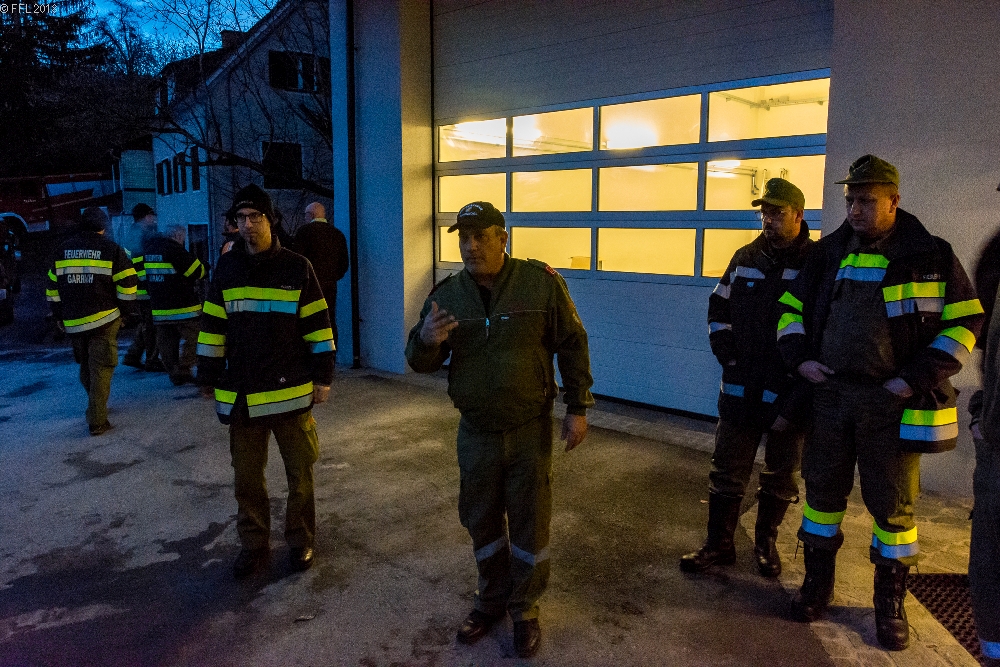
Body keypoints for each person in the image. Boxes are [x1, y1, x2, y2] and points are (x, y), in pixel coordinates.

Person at [775, 155, 984, 650]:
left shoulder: (929, 255)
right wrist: (801, 360)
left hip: (891, 405)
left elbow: (966, 321)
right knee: (821, 498)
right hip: (831, 397)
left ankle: (889, 603)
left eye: (866, 201)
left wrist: (914, 379)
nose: (854, 210)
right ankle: (817, 586)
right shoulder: (828, 253)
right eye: (850, 200)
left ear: (894, 201)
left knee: (893, 510)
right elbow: (790, 309)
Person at [404, 201, 594, 658]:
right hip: (477, 430)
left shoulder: (539, 283)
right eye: (464, 239)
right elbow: (419, 360)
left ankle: (524, 608)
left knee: (530, 520)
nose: (470, 247)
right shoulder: (448, 295)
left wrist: (578, 406)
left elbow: (572, 343)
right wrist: (426, 341)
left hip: (529, 427)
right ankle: (490, 599)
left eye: (480, 237)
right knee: (481, 518)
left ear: (502, 239)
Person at [196, 184, 334, 578]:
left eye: (255, 217)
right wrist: (207, 373)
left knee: (300, 475)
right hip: (242, 394)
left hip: (291, 392)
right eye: (240, 218)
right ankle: (253, 545)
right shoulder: (227, 267)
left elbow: (318, 326)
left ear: (271, 219)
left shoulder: (297, 267)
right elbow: (213, 324)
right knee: (246, 479)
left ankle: (301, 540)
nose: (247, 225)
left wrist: (323, 377)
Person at [680, 178, 813, 577]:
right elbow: (718, 308)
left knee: (781, 474)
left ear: (799, 215)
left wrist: (801, 377)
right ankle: (719, 545)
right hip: (740, 388)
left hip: (789, 393)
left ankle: (765, 543)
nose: (768, 220)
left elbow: (822, 326)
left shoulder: (815, 263)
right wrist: (728, 356)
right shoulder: (745, 257)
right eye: (764, 213)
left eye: (777, 213)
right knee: (726, 469)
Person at [46, 207, 138, 435]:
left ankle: (97, 404)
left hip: (74, 321)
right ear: (103, 227)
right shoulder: (111, 249)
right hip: (104, 318)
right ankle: (97, 420)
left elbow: (52, 288)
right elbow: (128, 284)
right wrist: (125, 312)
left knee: (87, 365)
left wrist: (59, 315)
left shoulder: (62, 250)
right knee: (102, 367)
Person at [968, 192, 1000, 667]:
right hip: (997, 440)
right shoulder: (996, 257)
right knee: (991, 558)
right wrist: (982, 414)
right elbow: (987, 353)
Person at [144, 224, 206, 385]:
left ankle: (173, 372)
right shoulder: (174, 249)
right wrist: (205, 266)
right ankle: (184, 369)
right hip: (183, 307)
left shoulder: (150, 250)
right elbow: (197, 271)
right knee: (196, 338)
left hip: (159, 308)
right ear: (178, 236)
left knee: (166, 343)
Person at [294, 202, 349, 354]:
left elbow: (297, 260)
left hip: (309, 285)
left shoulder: (305, 232)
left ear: (311, 215)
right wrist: (333, 277)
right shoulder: (337, 234)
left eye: (305, 215)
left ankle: (311, 354)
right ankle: (330, 354)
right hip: (330, 284)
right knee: (329, 319)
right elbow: (344, 263)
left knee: (308, 320)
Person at [122, 203, 163, 372]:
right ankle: (152, 360)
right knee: (152, 326)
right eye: (152, 216)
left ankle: (133, 355)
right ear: (146, 216)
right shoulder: (142, 236)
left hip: (137, 288)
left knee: (146, 322)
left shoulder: (131, 234)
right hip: (146, 288)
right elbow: (141, 263)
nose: (154, 219)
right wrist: (150, 284)